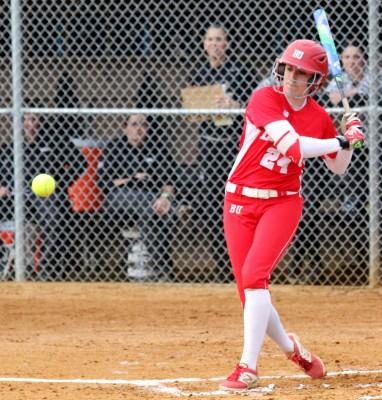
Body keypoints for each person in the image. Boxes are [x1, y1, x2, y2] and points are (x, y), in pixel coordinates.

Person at [219, 39, 365, 391]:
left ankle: (247, 367)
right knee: (248, 291)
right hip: (238, 202)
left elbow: (339, 168)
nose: (292, 77)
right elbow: (293, 146)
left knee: (255, 277)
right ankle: (292, 348)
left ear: (316, 81)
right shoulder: (263, 99)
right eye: (289, 69)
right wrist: (341, 142)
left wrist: (351, 133)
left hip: (281, 203)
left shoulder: (317, 117)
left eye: (303, 73)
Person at [186, 24, 259, 281]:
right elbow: (191, 112)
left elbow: (258, 105)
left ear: (226, 44)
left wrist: (235, 105)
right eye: (210, 40)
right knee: (213, 204)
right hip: (209, 144)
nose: (215, 44)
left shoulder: (241, 71)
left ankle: (247, 263)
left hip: (234, 145)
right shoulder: (198, 74)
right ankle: (222, 265)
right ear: (204, 45)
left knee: (241, 202)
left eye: (219, 39)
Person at [1, 111, 86, 279]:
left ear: (41, 121)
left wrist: (58, 184)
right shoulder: (12, 147)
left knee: (54, 217)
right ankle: (6, 259)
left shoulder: (55, 141)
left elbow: (80, 163)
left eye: (34, 119)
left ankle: (47, 271)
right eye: (25, 120)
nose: (30, 124)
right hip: (16, 197)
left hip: (45, 197)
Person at [99, 114, 178, 280]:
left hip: (153, 199)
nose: (138, 129)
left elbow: (170, 181)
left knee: (151, 215)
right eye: (134, 124)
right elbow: (105, 183)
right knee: (152, 208)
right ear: (125, 127)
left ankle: (161, 270)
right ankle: (164, 270)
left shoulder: (158, 147)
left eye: (143, 125)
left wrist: (164, 197)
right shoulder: (115, 147)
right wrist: (132, 179)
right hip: (119, 198)